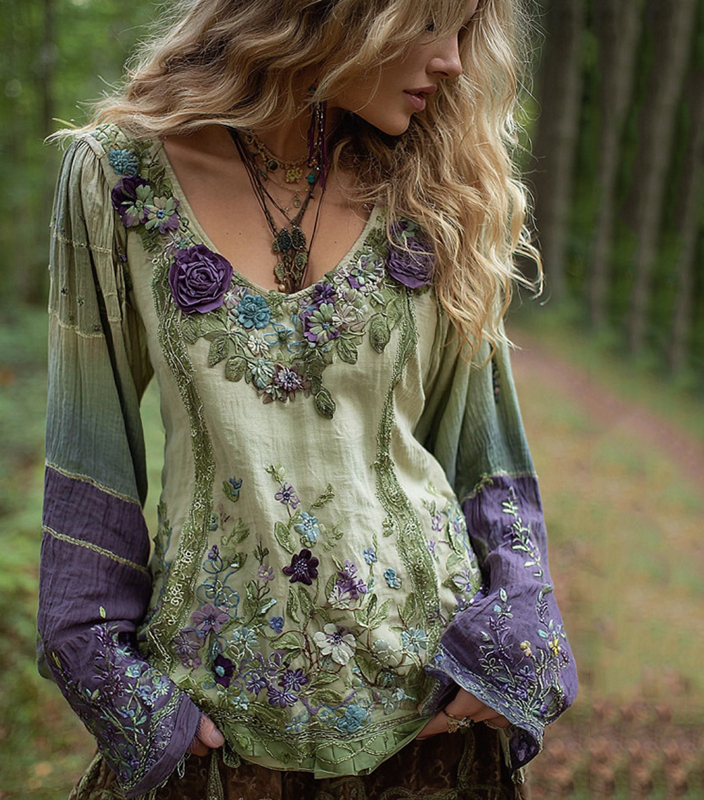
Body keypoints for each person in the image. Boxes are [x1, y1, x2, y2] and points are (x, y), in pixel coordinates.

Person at [38, 0, 578, 797]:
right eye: (431, 20)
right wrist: (125, 695)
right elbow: (90, 463)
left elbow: (485, 455)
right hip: (217, 732)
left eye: (465, 29)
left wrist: (512, 647)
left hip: (430, 721)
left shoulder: (438, 183)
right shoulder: (118, 178)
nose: (454, 59)